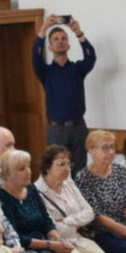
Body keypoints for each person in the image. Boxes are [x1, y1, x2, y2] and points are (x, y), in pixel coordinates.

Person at [0, 149, 78, 253]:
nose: (28, 171)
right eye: (22, 169)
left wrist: (56, 238)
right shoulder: (0, 197)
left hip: (48, 248)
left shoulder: (31, 189)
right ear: (7, 174)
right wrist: (50, 245)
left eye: (28, 166)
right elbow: (17, 237)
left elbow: (46, 219)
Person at [33, 145, 115, 253]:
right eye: (61, 164)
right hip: (59, 242)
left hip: (77, 237)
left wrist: (67, 221)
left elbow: (89, 212)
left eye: (68, 164)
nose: (67, 168)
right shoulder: (37, 191)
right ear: (47, 167)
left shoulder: (68, 183)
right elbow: (52, 227)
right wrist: (76, 221)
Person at [33, 14, 97, 172]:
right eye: (55, 39)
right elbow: (35, 57)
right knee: (57, 171)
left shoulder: (77, 69)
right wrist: (43, 29)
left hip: (79, 127)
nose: (60, 41)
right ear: (50, 47)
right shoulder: (45, 72)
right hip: (57, 130)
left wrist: (78, 33)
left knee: (79, 172)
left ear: (68, 45)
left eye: (63, 38)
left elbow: (91, 57)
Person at [75, 130, 126, 253]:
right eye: (105, 148)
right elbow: (98, 217)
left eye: (112, 147)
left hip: (125, 225)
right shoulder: (83, 177)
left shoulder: (119, 171)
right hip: (100, 232)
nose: (110, 152)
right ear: (91, 150)